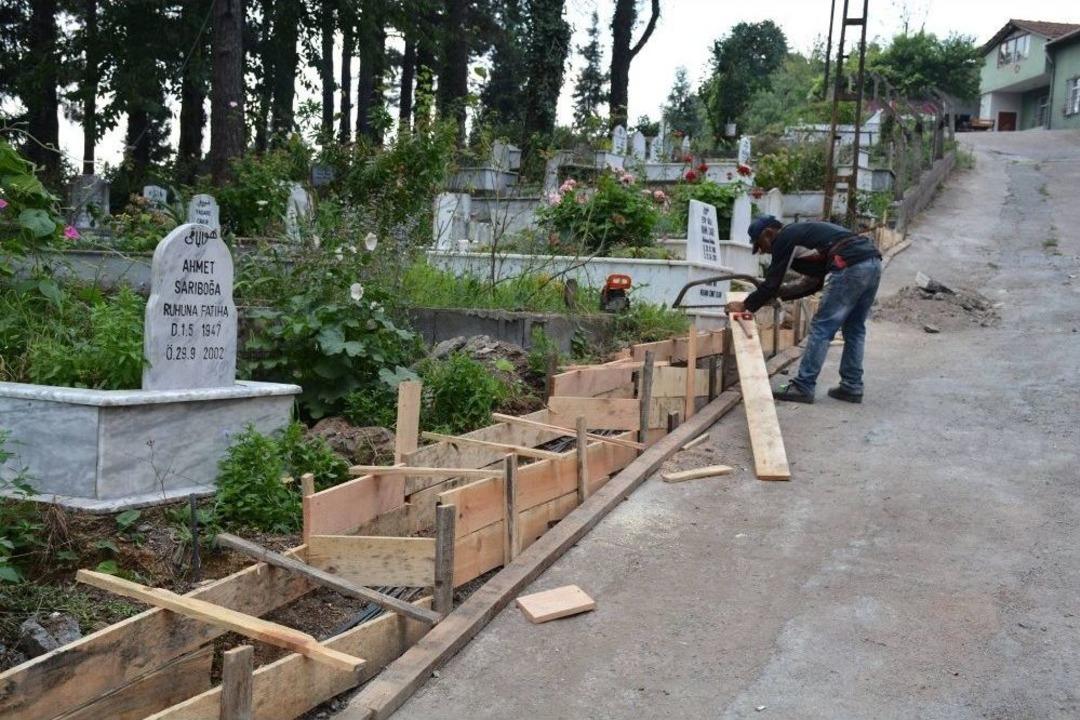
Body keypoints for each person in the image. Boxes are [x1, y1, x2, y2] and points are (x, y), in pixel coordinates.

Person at [725, 215, 882, 404]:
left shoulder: (785, 237)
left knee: (822, 327)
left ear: (768, 233)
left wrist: (746, 305)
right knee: (855, 328)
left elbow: (772, 283)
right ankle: (852, 386)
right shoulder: (806, 238)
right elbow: (813, 283)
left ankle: (803, 386)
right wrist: (776, 295)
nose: (763, 251)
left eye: (761, 245)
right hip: (872, 262)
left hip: (850, 265)